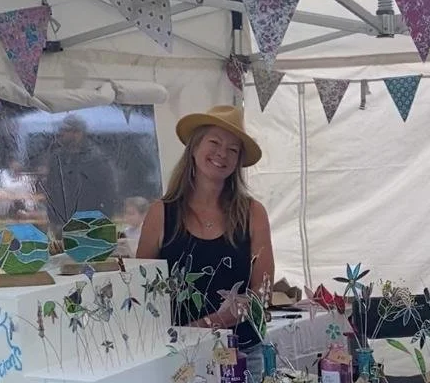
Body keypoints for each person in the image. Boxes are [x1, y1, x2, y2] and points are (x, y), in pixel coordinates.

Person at [137, 105, 274, 342]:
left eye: (233, 149)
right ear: (194, 147)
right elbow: (142, 288)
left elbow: (262, 294)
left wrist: (206, 325)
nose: (222, 153)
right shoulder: (161, 213)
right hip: (176, 352)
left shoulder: (253, 213)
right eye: (214, 142)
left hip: (240, 353)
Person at [44, 116, 117, 238]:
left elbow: (109, 193)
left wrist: (101, 222)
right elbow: (51, 191)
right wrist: (54, 220)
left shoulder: (96, 159)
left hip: (90, 222)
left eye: (65, 130)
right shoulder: (57, 158)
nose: (61, 134)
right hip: (63, 223)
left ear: (78, 133)